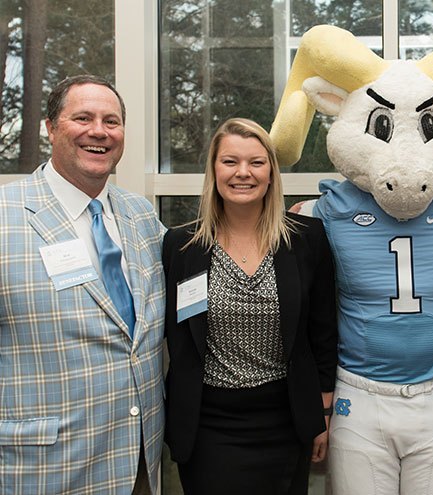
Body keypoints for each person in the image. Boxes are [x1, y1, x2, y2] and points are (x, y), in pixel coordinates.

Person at [0, 75, 165, 494]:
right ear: (51, 128)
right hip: (42, 469)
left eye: (112, 121)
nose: (99, 131)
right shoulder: (5, 217)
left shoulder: (139, 216)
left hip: (139, 462)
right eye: (83, 118)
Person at [162, 118, 338, 494]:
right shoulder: (181, 247)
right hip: (208, 425)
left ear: (272, 173)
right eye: (230, 161)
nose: (243, 173)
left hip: (286, 420)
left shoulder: (307, 239)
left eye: (257, 162)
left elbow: (323, 331)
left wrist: (321, 413)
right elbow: (175, 338)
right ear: (213, 170)